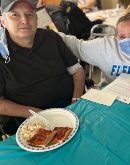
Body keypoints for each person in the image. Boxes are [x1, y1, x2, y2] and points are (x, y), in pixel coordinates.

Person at [0, 0, 85, 134]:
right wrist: (35, 113)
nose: (24, 20)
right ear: (3, 21)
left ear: (36, 18)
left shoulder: (51, 37)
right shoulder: (1, 54)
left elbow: (77, 70)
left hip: (74, 109)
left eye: (29, 14)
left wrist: (76, 101)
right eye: (15, 15)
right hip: (34, 122)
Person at [59, 5, 130, 87]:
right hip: (109, 97)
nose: (127, 40)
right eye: (122, 37)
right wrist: (49, 34)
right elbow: (76, 46)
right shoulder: (105, 47)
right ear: (116, 37)